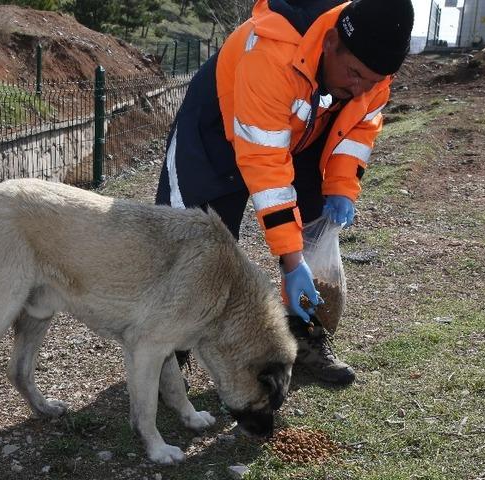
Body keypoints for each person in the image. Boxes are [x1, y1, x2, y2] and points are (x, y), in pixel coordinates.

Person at [156, 0, 414, 386]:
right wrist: (292, 263)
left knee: (314, 220)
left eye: (373, 82)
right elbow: (266, 165)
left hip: (303, 125)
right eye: (354, 74)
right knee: (195, 239)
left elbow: (358, 129)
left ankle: (302, 333)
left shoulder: (371, 73)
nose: (360, 88)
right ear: (331, 42)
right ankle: (166, 355)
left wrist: (341, 187)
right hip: (219, 124)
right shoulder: (272, 53)